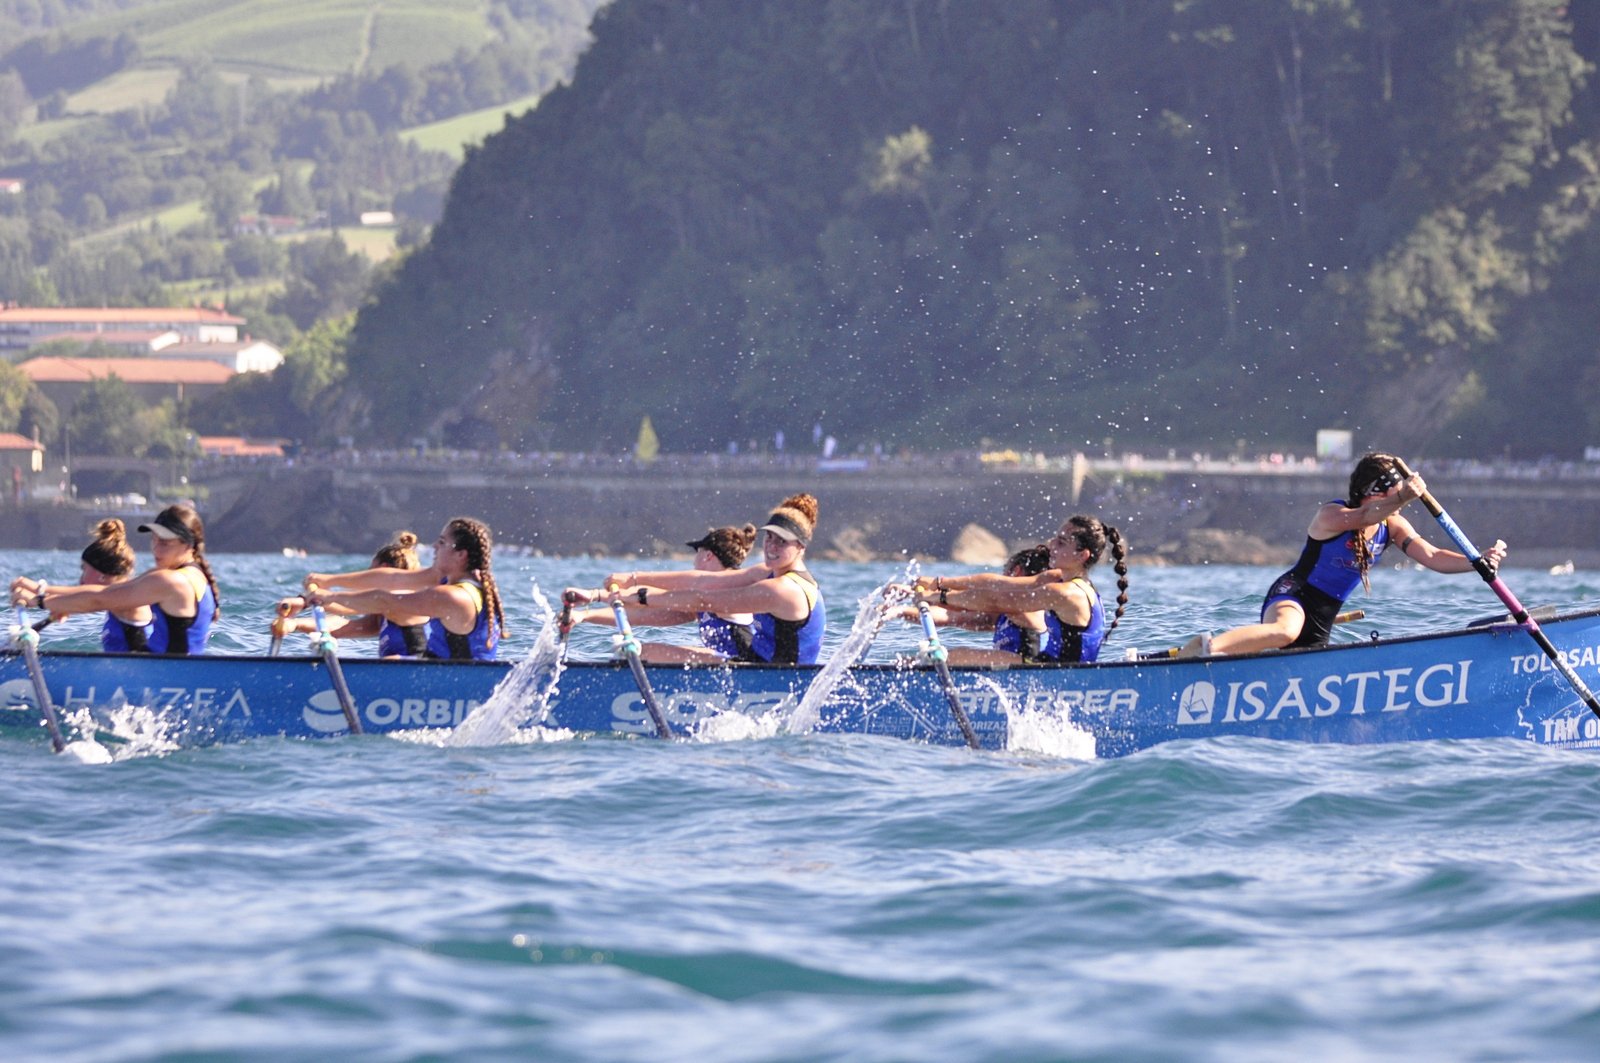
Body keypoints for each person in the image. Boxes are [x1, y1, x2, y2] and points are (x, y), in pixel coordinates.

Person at [1178, 452, 1508, 656]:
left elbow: (1433, 556)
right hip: (1294, 596)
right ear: (1375, 492)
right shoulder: (1332, 516)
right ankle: (1206, 650)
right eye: (1395, 492)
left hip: (1323, 618)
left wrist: (1476, 562)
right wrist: (1404, 497)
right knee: (1286, 632)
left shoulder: (1392, 526)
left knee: (1303, 655)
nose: (1400, 500)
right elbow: (1365, 517)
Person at [568, 493, 825, 665]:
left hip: (774, 679)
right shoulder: (766, 573)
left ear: (801, 547)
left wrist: (638, 594)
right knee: (647, 652)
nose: (772, 546)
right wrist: (629, 581)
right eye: (770, 537)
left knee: (646, 653)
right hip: (754, 664)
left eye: (782, 542)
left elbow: (704, 598)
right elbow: (700, 582)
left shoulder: (783, 589)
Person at [907, 515, 1129, 664]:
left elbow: (998, 602)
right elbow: (997, 583)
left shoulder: (1067, 593)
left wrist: (939, 596)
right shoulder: (1056, 578)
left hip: (1055, 674)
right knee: (951, 656)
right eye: (1055, 538)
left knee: (951, 657)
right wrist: (939, 582)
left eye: (1061, 543)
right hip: (1046, 665)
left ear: (1082, 555)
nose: (1051, 545)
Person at [13, 504, 220, 655]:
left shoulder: (171, 581)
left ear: (188, 545)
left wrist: (40, 601)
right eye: (154, 541)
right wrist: (43, 591)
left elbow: (101, 599)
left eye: (165, 543)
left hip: (160, 676)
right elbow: (108, 593)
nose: (156, 549)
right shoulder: (188, 576)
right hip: (168, 672)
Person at [303, 517, 505, 661]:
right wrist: (329, 580)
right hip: (437, 671)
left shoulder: (453, 596)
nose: (435, 546)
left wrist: (330, 597)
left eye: (442, 542)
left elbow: (385, 601)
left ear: (461, 555)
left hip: (456, 685)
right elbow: (392, 578)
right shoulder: (445, 579)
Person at [568, 524, 758, 663]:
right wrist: (584, 614)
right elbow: (643, 613)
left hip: (748, 667)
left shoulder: (726, 590)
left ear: (708, 555)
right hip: (731, 663)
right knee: (642, 651)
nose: (694, 561)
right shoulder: (698, 602)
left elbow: (655, 595)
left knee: (645, 653)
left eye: (697, 553)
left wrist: (631, 579)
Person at [273, 532, 431, 657]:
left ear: (382, 569)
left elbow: (359, 604)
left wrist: (310, 599)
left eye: (370, 569)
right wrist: (295, 624)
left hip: (422, 674)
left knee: (392, 661)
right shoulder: (381, 615)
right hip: (397, 678)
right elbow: (345, 626)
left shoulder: (405, 601)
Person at [10, 518, 154, 652]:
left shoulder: (131, 600)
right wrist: (66, 604)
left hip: (144, 675)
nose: (81, 579)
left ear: (101, 574)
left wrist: (39, 595)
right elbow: (88, 598)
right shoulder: (116, 600)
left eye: (84, 569)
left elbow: (94, 598)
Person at [897, 545, 1053, 665]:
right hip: (1013, 670)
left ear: (1015, 572)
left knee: (955, 656)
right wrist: (901, 610)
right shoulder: (1000, 613)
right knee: (916, 661)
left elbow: (983, 597)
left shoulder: (1032, 609)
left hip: (1032, 668)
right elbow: (950, 616)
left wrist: (937, 590)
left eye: (1004, 572)